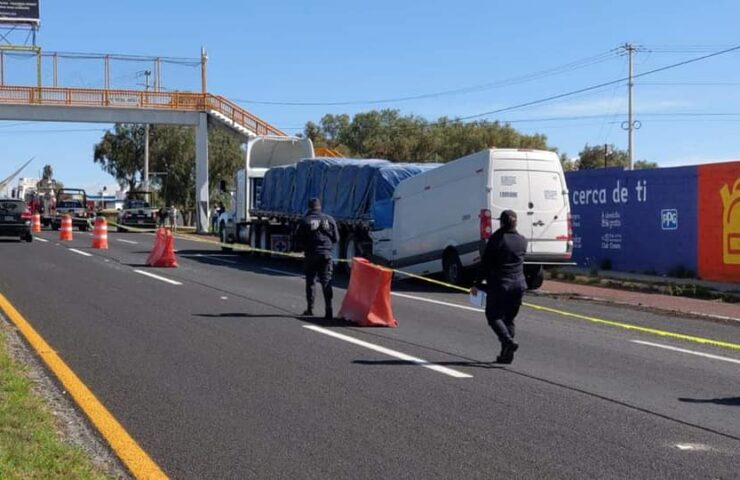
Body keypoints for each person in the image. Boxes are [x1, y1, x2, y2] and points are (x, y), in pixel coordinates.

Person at [471, 209, 528, 364]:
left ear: (502, 222)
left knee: (493, 316)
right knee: (509, 319)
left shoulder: (497, 239)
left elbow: (486, 263)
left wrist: (477, 283)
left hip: (501, 284)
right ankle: (506, 354)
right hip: (519, 285)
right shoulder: (523, 240)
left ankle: (508, 341)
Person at [295, 198, 338, 320]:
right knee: (326, 282)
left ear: (309, 207)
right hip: (326, 255)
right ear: (320, 207)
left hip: (311, 255)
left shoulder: (305, 221)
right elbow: (336, 239)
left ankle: (310, 308)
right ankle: (329, 309)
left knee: (311, 282)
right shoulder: (329, 219)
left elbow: (299, 241)